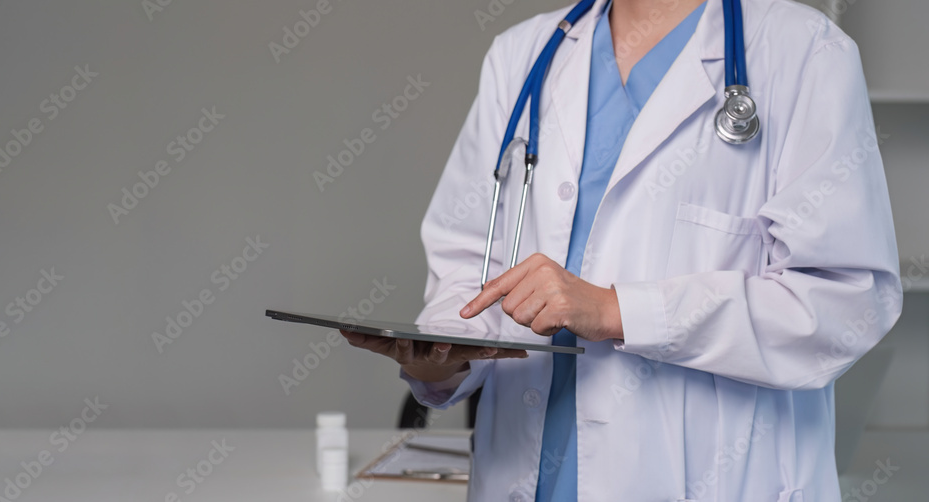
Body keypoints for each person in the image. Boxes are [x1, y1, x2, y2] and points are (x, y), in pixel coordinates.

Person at [342, 0, 903, 499]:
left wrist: (616, 311)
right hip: (525, 473)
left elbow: (845, 303)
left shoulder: (803, 50)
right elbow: (469, 264)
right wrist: (443, 357)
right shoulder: (522, 54)